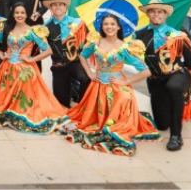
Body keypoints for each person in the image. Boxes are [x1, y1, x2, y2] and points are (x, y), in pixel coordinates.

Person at [64, 11, 158, 156]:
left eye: (112, 24)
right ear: (102, 27)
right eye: (106, 24)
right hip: (98, 85)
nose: (109, 27)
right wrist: (90, 73)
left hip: (117, 84)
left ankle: (115, 123)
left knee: (124, 97)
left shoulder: (125, 48)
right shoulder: (96, 43)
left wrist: (127, 80)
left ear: (118, 27)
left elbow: (146, 71)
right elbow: (82, 56)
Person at [0, 3, 68, 133]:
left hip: (25, 69)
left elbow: (48, 50)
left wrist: (32, 59)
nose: (19, 15)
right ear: (13, 14)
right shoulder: (7, 28)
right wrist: (1, 54)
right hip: (7, 67)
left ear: (26, 14)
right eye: (17, 13)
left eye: (22, 13)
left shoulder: (33, 31)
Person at [133, 0, 191, 152]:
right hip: (155, 80)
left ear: (166, 15)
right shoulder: (139, 35)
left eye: (160, 11)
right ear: (147, 14)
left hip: (177, 76)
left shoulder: (178, 34)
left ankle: (176, 136)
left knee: (173, 87)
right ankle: (185, 110)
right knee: (161, 124)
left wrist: (175, 68)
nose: (156, 14)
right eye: (152, 11)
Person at [43, 0, 90, 107]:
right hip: (58, 65)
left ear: (66, 7)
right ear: (50, 8)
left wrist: (85, 55)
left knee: (86, 79)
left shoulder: (78, 23)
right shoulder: (45, 27)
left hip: (75, 62)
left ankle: (81, 107)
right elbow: (40, 47)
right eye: (54, 5)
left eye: (61, 4)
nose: (58, 7)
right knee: (61, 103)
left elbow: (89, 41)